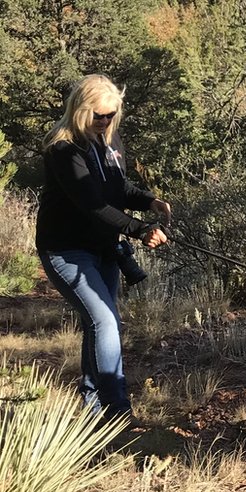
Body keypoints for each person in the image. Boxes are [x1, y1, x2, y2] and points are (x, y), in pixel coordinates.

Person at [36, 74, 171, 421]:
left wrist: (149, 201)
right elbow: (91, 203)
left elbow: (117, 186)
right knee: (105, 321)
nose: (106, 121)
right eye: (99, 115)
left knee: (98, 323)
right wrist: (140, 230)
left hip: (105, 249)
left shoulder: (109, 140)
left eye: (111, 115)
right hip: (66, 251)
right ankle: (118, 414)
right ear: (81, 110)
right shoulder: (63, 148)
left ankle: (92, 404)